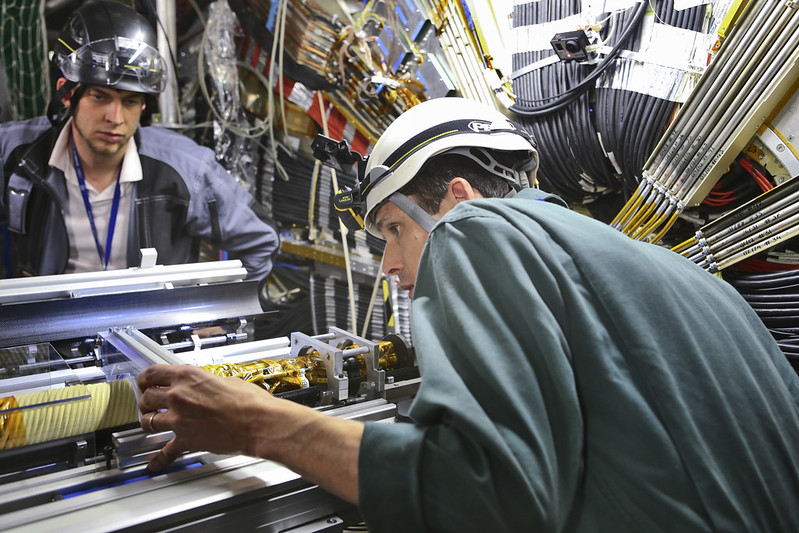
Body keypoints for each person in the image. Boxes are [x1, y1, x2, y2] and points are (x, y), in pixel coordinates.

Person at [136, 97, 799, 532]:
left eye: (394, 230)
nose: (391, 266)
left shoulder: (477, 230)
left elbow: (485, 491)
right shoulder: (669, 272)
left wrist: (255, 422)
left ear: (455, 196)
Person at [0, 0, 278, 280]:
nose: (116, 117)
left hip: (151, 322)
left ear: (143, 106)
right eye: (100, 97)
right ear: (68, 94)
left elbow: (261, 242)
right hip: (50, 318)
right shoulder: (15, 153)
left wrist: (219, 314)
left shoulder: (186, 169)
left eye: (130, 101)